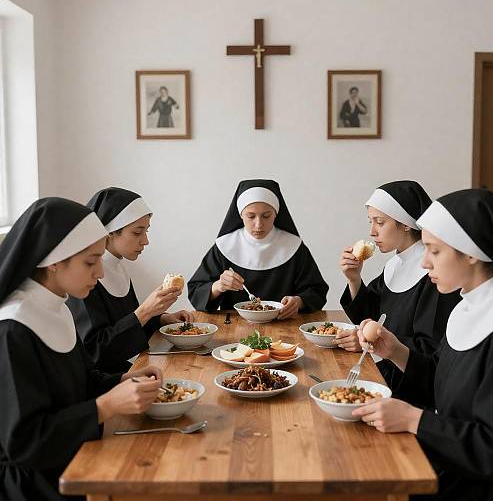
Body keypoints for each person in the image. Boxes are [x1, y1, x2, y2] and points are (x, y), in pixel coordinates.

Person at [352, 188, 493, 501]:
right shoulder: (469, 304)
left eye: (434, 251)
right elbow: (441, 381)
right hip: (446, 460)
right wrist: (395, 350)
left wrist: (414, 419)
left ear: (470, 253)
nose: (424, 263)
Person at [0, 197, 163, 501]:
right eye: (90, 261)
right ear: (54, 262)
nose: (100, 273)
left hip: (76, 454)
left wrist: (121, 382)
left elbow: (82, 380)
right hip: (36, 486)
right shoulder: (13, 330)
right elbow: (25, 443)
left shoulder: (55, 306)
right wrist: (107, 406)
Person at [338, 181, 460, 388]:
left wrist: (374, 345)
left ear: (405, 224)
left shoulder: (433, 274)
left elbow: (429, 347)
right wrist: (354, 279)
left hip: (411, 385)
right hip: (382, 370)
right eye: (370, 222)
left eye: (380, 222)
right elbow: (370, 318)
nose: (372, 232)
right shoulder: (395, 264)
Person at [67, 187, 193, 373]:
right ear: (109, 232)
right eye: (137, 232)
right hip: (98, 380)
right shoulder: (86, 277)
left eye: (146, 231)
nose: (145, 241)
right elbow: (95, 352)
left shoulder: (117, 266)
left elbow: (124, 324)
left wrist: (161, 319)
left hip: (119, 369)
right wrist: (144, 311)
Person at [188, 179, 328, 319]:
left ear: (276, 214)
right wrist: (218, 286)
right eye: (251, 216)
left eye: (266, 216)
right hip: (235, 326)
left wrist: (299, 302)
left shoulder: (293, 246)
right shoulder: (225, 246)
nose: (258, 225)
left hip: (286, 325)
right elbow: (196, 292)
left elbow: (317, 291)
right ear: (241, 214)